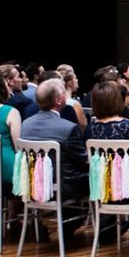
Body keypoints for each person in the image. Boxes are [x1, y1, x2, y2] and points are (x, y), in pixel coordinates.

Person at [20, 78, 90, 240]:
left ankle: (67, 223)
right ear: (59, 100)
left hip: (32, 184)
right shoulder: (68, 127)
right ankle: (105, 227)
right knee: (97, 177)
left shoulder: (26, 124)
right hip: (63, 187)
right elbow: (84, 161)